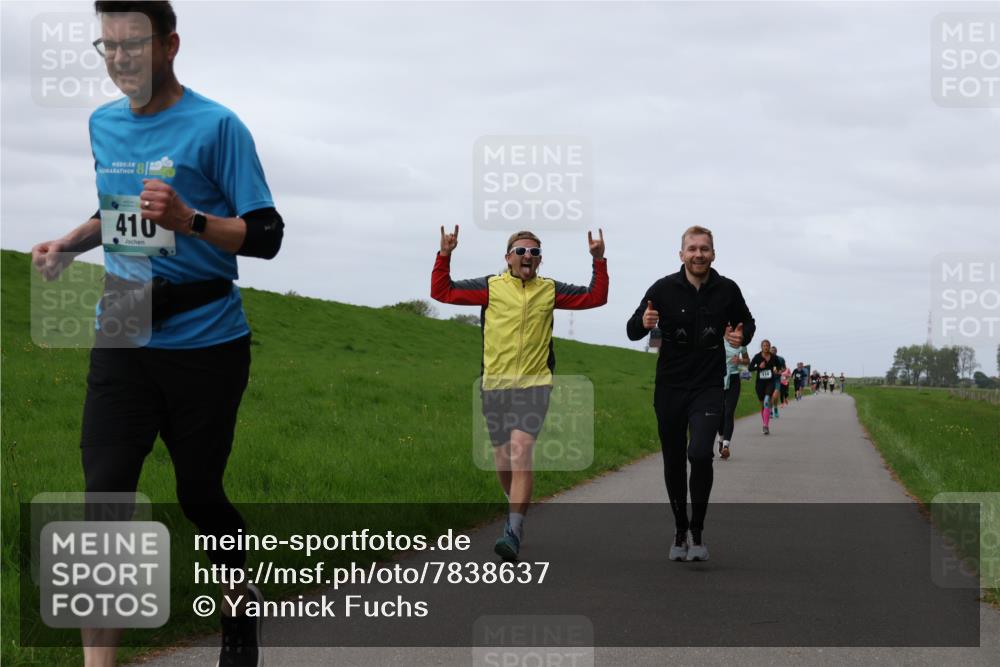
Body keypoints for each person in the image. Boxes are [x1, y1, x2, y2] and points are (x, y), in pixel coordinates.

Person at [31, 3, 283, 665]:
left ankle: (239, 606)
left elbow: (266, 235)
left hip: (205, 338)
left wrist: (193, 218)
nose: (119, 60)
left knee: (200, 494)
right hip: (120, 327)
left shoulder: (217, 126)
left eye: (132, 45)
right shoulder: (102, 124)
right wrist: (68, 244)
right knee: (104, 502)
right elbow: (116, 212)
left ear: (169, 44)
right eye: (106, 46)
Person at [432, 226, 608, 561]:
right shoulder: (490, 287)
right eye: (522, 251)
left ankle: (513, 530)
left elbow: (595, 297)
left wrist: (598, 262)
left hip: (534, 384)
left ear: (540, 260)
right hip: (495, 385)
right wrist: (445, 254)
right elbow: (442, 292)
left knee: (521, 449)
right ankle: (514, 499)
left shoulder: (550, 290)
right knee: (502, 459)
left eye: (535, 252)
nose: (528, 256)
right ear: (508, 257)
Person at [627, 226, 755, 562]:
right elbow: (631, 329)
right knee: (673, 460)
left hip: (709, 386)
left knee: (699, 454)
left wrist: (742, 336)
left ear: (713, 254)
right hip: (670, 387)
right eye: (692, 249)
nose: (699, 254)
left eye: (705, 249)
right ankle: (680, 529)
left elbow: (748, 323)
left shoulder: (727, 290)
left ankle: (698, 529)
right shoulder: (663, 288)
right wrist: (644, 321)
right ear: (681, 254)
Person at [718, 340, 749, 460]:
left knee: (729, 412)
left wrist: (741, 360)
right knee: (720, 412)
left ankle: (726, 445)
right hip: (719, 377)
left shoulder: (741, 343)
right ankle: (720, 438)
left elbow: (747, 361)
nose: (731, 327)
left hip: (734, 378)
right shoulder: (718, 340)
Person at [748, 340, 782, 435]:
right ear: (761, 347)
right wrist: (759, 367)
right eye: (764, 345)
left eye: (767, 345)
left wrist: (776, 370)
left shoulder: (773, 357)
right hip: (760, 383)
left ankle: (765, 426)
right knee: (763, 404)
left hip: (770, 382)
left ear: (769, 347)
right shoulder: (757, 356)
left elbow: (779, 367)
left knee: (767, 401)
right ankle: (764, 423)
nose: (766, 347)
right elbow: (750, 368)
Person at [770, 346, 786, 417]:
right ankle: (770, 411)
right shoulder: (767, 358)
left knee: (775, 395)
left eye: (774, 350)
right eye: (771, 350)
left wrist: (780, 371)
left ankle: (775, 408)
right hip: (768, 380)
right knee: (770, 396)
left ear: (776, 351)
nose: (773, 351)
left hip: (777, 379)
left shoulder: (781, 359)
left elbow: (784, 368)